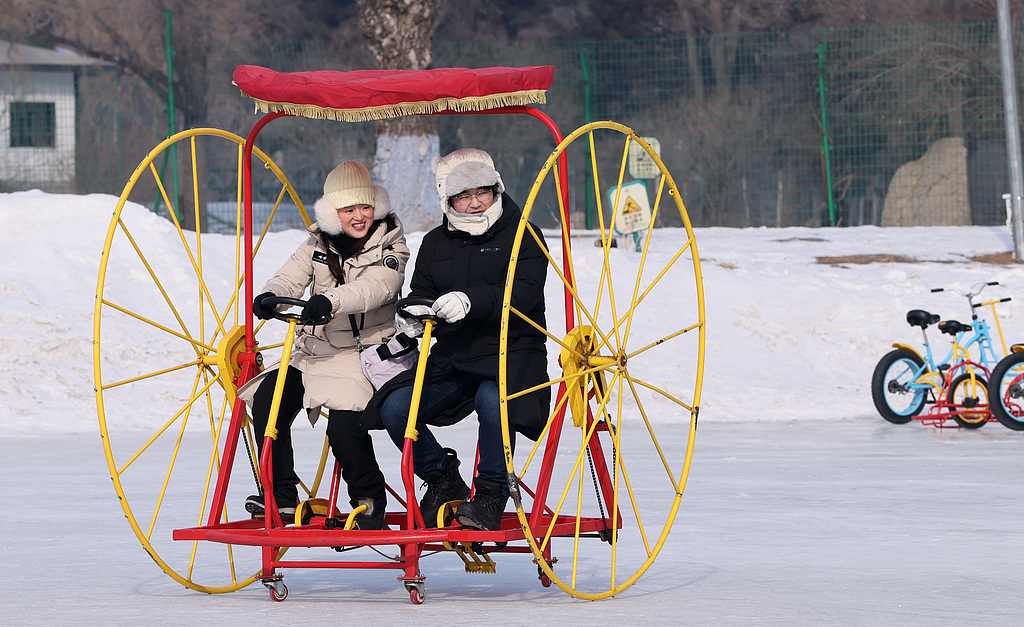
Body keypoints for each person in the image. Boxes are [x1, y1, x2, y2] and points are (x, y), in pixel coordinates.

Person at [362, 148, 550, 531]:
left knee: (492, 399)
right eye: (464, 196)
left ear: (496, 190)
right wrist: (413, 315)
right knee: (396, 408)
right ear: (448, 200)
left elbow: (523, 294)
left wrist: (470, 301)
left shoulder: (525, 234)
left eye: (483, 192)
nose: (475, 202)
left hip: (512, 353)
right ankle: (441, 476)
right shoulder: (436, 243)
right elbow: (421, 291)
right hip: (455, 357)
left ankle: (491, 493)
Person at [237, 161, 410, 529]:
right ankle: (281, 495)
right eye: (348, 209)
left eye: (365, 206)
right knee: (268, 399)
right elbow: (289, 277)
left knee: (344, 427)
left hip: (362, 354)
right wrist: (270, 296)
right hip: (313, 352)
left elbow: (375, 288)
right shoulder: (317, 243)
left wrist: (330, 301)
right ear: (333, 213)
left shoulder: (391, 245)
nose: (359, 216)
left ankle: (369, 500)